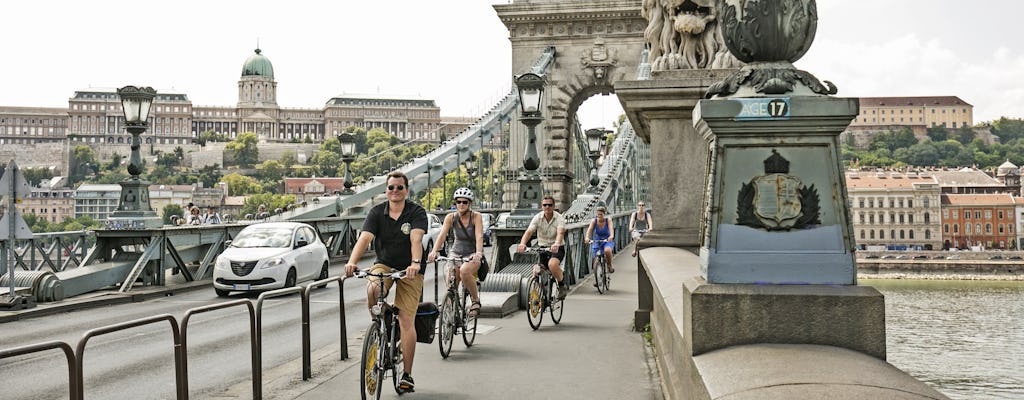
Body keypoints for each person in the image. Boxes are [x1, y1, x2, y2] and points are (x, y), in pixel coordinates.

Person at [345, 171, 427, 394]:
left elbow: (416, 239)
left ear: (406, 191)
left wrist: (415, 263)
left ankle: (407, 375)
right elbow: (365, 238)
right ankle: (380, 323)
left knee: (406, 319)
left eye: (399, 187)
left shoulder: (416, 212)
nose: (395, 191)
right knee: (372, 288)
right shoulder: (376, 213)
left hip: (411, 269)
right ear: (386, 190)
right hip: (385, 263)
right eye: (391, 187)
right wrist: (352, 262)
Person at [427, 187, 484, 317]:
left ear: (470, 203)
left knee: (464, 271)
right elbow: (442, 235)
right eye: (458, 202)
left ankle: (475, 300)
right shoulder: (450, 217)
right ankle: (453, 310)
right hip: (455, 253)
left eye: (465, 202)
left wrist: (478, 253)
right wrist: (434, 251)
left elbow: (479, 235)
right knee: (451, 283)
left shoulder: (476, 217)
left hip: (472, 254)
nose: (461, 204)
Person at [516, 194, 568, 300]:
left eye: (549, 205)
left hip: (557, 248)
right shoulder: (537, 217)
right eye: (545, 205)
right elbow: (529, 231)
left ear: (553, 206)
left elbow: (560, 232)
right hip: (542, 248)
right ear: (542, 206)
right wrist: (522, 243)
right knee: (536, 270)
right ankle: (541, 294)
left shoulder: (559, 218)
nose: (547, 207)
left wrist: (557, 243)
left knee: (552, 265)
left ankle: (562, 285)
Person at [584, 206, 615, 274]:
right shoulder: (594, 221)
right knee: (595, 258)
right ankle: (597, 276)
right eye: (598, 214)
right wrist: (587, 237)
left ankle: (610, 265)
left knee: (607, 250)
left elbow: (611, 228)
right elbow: (589, 230)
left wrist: (611, 236)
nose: (599, 216)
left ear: (604, 214)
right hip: (597, 241)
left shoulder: (608, 220)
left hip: (607, 240)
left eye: (601, 214)